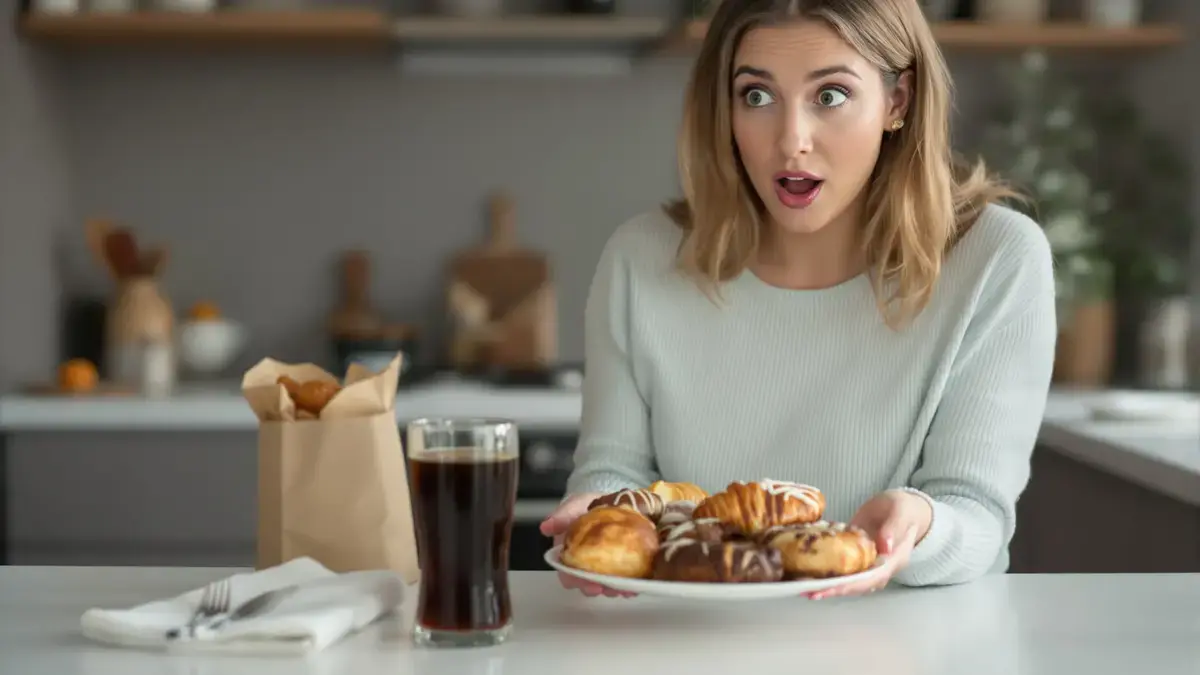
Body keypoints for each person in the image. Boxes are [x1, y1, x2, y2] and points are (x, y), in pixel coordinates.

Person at [540, 0, 1056, 599]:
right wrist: (598, 513)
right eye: (756, 96)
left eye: (830, 95)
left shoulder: (995, 257)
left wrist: (920, 523)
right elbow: (616, 474)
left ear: (898, 101)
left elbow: (976, 512)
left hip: (915, 636)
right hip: (689, 636)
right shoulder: (641, 258)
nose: (791, 141)